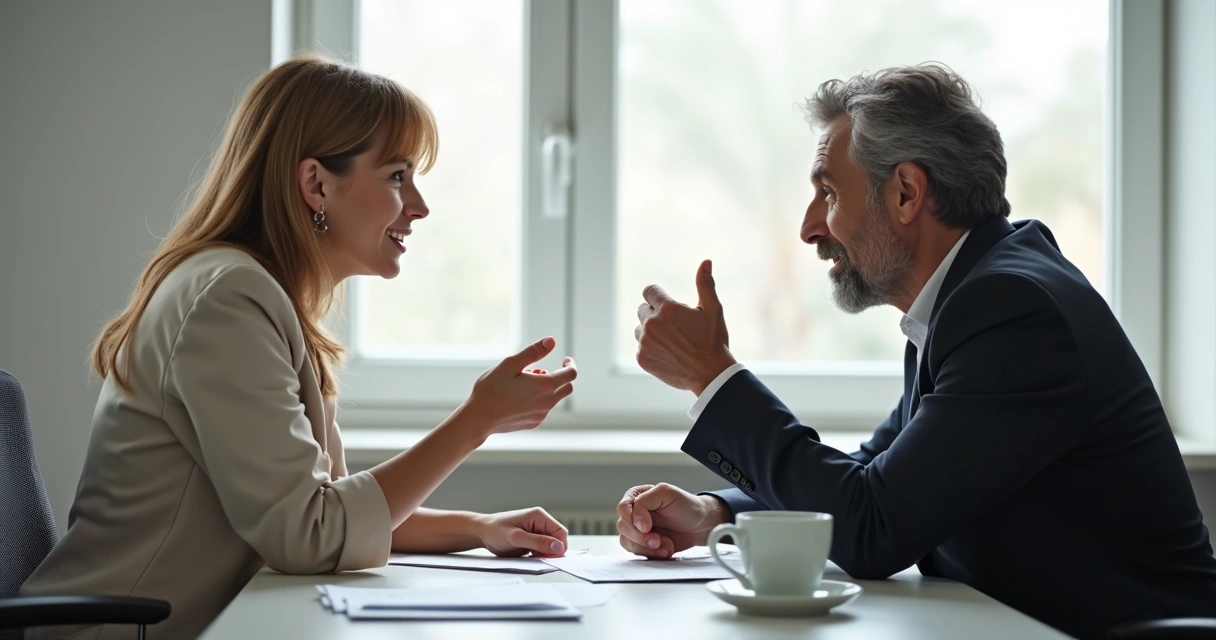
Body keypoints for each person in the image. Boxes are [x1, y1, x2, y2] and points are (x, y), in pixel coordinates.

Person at [617, 63, 1216, 638]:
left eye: (827, 193)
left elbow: (871, 528)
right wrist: (715, 514)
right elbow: (873, 478)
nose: (808, 227)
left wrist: (713, 377)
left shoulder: (1014, 313)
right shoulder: (969, 296)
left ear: (906, 192)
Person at [21, 56, 578, 639]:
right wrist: (476, 421)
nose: (419, 206)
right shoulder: (228, 298)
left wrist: (479, 527)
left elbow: (329, 508)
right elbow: (310, 535)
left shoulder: (258, 294)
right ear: (316, 183)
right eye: (396, 176)